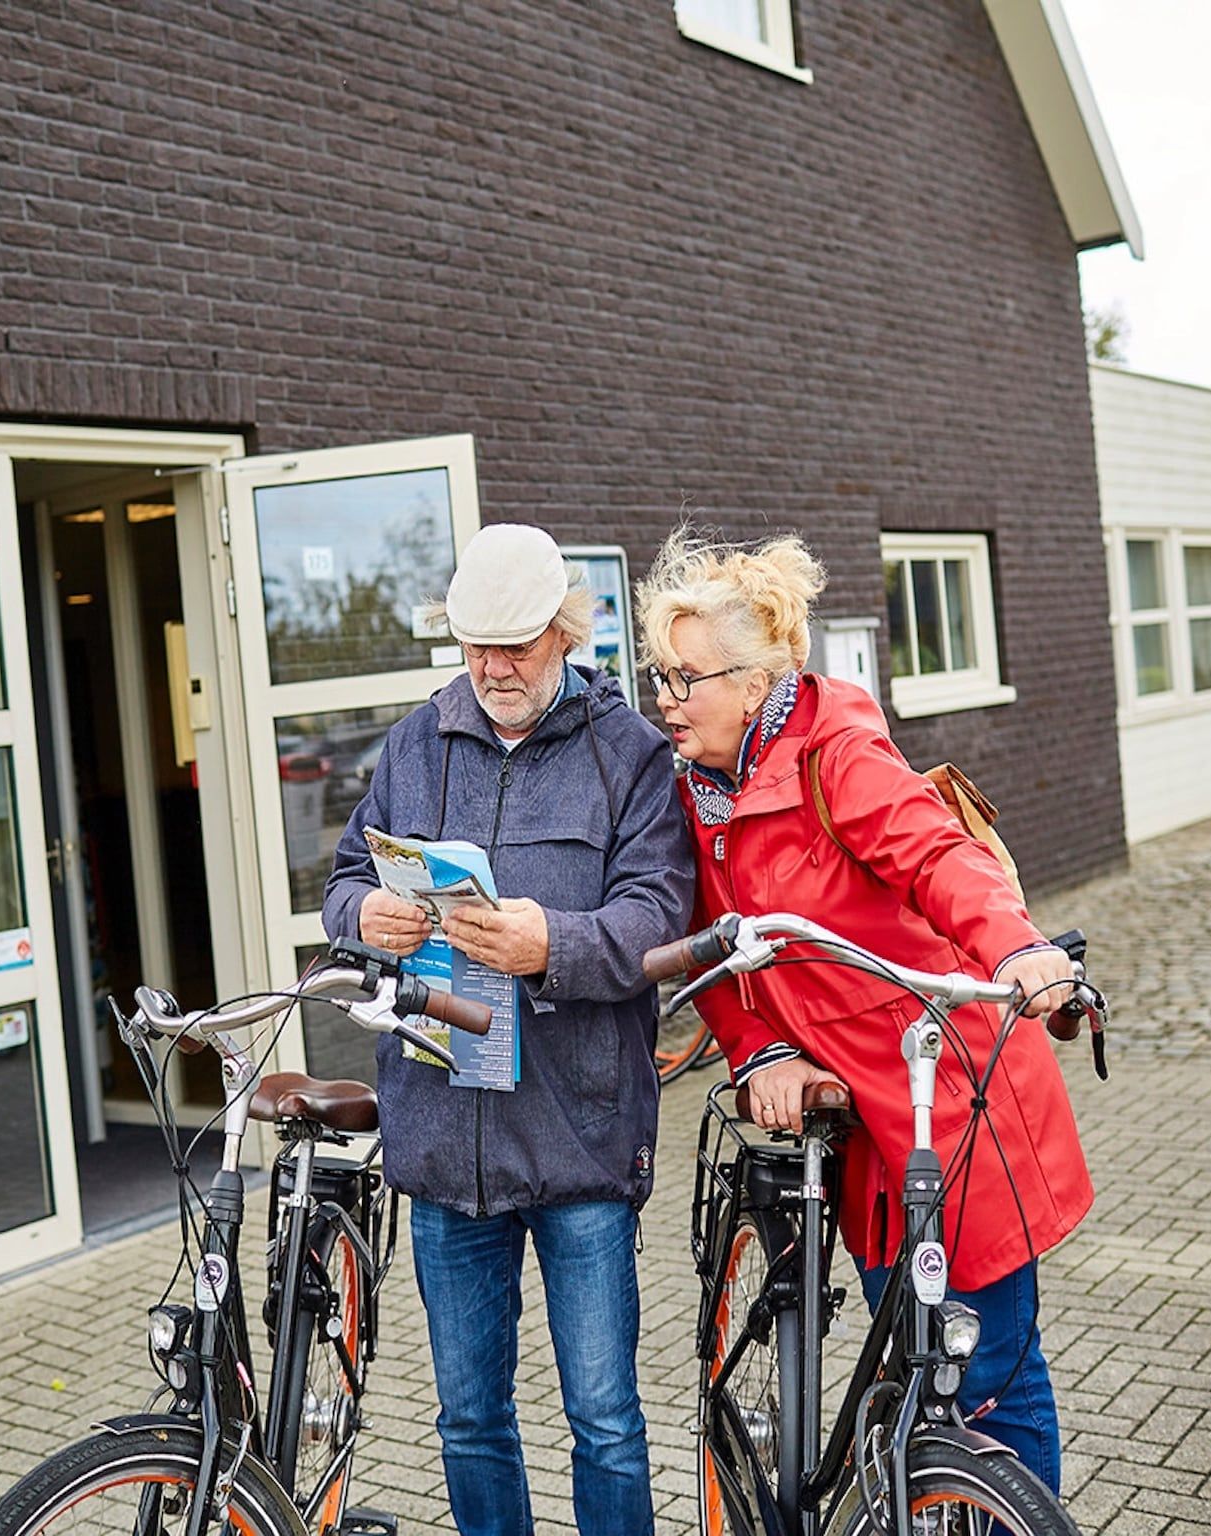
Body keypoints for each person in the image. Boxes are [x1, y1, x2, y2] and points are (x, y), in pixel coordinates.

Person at [635, 528, 1091, 1493]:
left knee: (994, 1380)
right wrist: (758, 1053)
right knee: (907, 1361)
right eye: (657, 677)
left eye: (685, 679)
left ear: (754, 684)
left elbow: (935, 855)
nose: (665, 701)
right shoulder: (696, 797)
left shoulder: (833, 756)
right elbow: (721, 958)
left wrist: (1017, 946)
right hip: (856, 1124)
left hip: (947, 1100)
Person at [322, 523, 693, 1536]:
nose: (491, 668)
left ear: (564, 632)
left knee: (605, 1420)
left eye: (514, 646)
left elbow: (662, 920)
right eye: (474, 645)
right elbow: (345, 879)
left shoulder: (630, 755)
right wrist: (366, 917)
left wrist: (555, 945)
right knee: (468, 1419)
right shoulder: (414, 741)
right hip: (443, 1138)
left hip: (577, 1135)